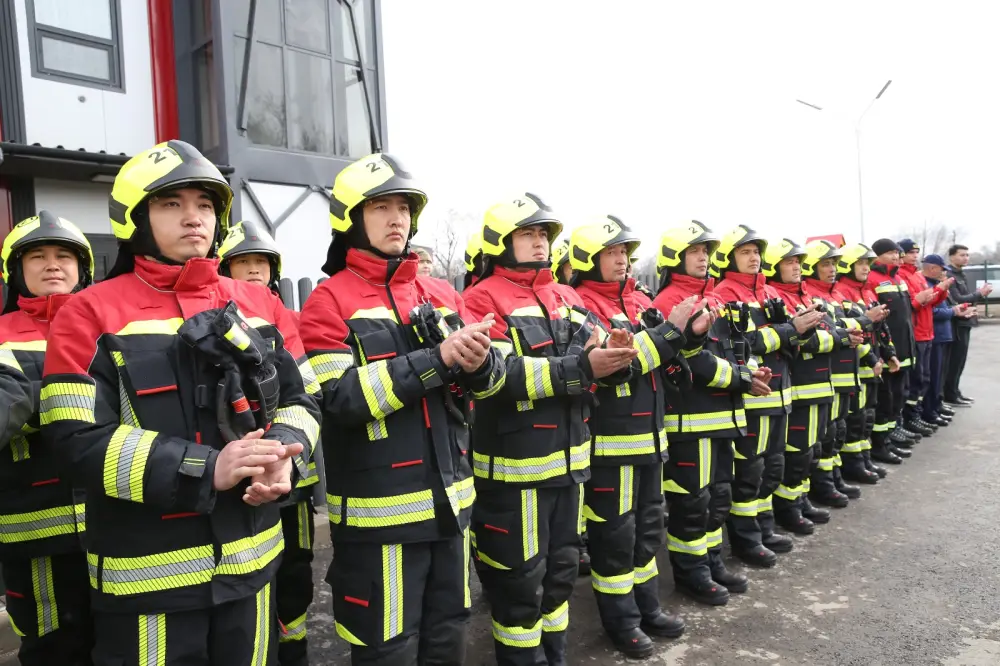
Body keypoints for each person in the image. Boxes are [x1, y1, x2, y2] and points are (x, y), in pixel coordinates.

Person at [41, 140, 320, 665]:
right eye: (172, 204)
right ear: (135, 218)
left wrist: (284, 451)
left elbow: (304, 398)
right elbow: (74, 439)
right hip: (146, 586)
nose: (194, 218)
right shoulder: (88, 314)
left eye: (206, 205)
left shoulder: (261, 305)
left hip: (252, 568)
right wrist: (206, 469)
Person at [299, 153, 502, 665]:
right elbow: (338, 399)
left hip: (452, 510)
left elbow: (489, 382)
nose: (397, 219)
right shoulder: (328, 301)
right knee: (386, 649)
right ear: (350, 219)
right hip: (379, 526)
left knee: (448, 635)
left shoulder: (438, 292)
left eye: (405, 208)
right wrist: (436, 360)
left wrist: (478, 367)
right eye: (381, 207)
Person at [464, 194, 636, 666]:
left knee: (560, 574)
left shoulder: (567, 296)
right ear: (502, 242)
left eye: (543, 234)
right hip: (514, 473)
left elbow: (596, 357)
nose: (539, 242)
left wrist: (619, 357)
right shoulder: (481, 298)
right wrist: (585, 367)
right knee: (520, 581)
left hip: (570, 466)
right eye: (528, 234)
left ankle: (554, 657)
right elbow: (499, 375)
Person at [569, 217, 692, 658]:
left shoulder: (639, 300)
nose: (621, 259)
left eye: (624, 252)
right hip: (611, 443)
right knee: (615, 538)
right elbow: (620, 364)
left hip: (650, 438)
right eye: (611, 253)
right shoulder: (579, 305)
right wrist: (669, 333)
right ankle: (621, 621)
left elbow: (662, 358)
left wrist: (681, 338)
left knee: (646, 533)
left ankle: (647, 607)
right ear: (587, 260)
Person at [218, 219, 320, 666]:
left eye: (262, 262)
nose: (255, 270)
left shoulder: (283, 317)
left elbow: (305, 390)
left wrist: (286, 451)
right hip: (229, 476)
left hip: (289, 473)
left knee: (295, 570)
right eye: (244, 262)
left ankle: (293, 647)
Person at [652, 221, 767, 606]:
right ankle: (691, 573)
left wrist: (748, 370)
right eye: (694, 251)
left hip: (722, 418)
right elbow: (693, 360)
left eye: (706, 251)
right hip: (691, 422)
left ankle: (712, 562)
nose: (703, 257)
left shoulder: (713, 297)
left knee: (718, 499)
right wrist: (739, 379)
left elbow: (736, 346)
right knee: (692, 503)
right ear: (674, 258)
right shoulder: (670, 301)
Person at [0, 211, 95, 665]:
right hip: (33, 531)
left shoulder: (110, 329)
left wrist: (32, 397)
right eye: (37, 256)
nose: (52, 264)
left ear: (83, 268)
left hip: (115, 525)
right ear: (15, 272)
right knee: (51, 649)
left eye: (64, 255)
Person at [714, 229, 821, 566]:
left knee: (773, 467)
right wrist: (789, 331)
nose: (753, 257)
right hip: (754, 399)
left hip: (782, 392)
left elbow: (788, 339)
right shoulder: (725, 293)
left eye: (756, 251)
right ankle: (746, 539)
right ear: (730, 258)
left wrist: (803, 330)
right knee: (749, 472)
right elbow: (746, 344)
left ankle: (764, 526)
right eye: (744, 252)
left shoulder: (771, 291)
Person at [764, 239, 848, 533]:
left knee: (812, 449)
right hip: (800, 389)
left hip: (820, 385)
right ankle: (788, 508)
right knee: (796, 453)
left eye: (799, 261)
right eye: (789, 262)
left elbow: (828, 334)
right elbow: (807, 341)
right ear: (774, 266)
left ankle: (800, 498)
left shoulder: (803, 297)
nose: (797, 266)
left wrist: (831, 338)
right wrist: (835, 340)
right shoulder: (779, 299)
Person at [800, 240, 877, 507]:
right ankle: (823, 485)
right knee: (825, 434)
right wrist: (862, 322)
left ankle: (833, 477)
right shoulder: (810, 293)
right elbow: (831, 327)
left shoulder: (833, 294)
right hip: (828, 375)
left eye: (833, 263)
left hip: (844, 374)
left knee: (838, 430)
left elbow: (839, 325)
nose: (832, 269)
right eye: (825, 264)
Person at [833, 243, 893, 478]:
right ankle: (854, 464)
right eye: (861, 263)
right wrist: (870, 357)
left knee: (868, 416)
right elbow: (853, 333)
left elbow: (880, 327)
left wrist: (889, 353)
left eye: (868, 263)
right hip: (857, 364)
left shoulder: (867, 291)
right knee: (855, 419)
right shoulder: (843, 292)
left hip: (872, 362)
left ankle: (864, 459)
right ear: (848, 265)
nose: (866, 267)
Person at [865, 239, 925, 451]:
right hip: (889, 347)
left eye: (896, 253)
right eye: (890, 253)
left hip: (905, 345)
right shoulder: (872, 279)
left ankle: (894, 429)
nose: (895, 256)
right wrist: (885, 350)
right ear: (878, 255)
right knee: (887, 396)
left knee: (900, 393)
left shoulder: (898, 278)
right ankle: (884, 439)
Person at [896, 239, 952, 432]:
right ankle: (911, 418)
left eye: (916, 252)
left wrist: (941, 291)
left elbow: (930, 301)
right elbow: (912, 304)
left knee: (924, 379)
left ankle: (918, 413)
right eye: (910, 252)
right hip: (917, 333)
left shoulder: (917, 276)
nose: (914, 255)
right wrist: (929, 295)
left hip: (927, 333)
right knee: (915, 379)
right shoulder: (902, 275)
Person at [922, 254, 970, 426]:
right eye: (942, 271)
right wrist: (953, 312)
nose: (945, 275)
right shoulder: (927, 286)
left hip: (942, 336)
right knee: (932, 376)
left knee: (938, 376)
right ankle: (929, 411)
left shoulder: (936, 286)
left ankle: (935, 406)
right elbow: (931, 312)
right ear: (933, 268)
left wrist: (955, 309)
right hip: (933, 336)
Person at [943, 243, 993, 406]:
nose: (966, 258)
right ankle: (950, 394)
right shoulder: (949, 275)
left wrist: (975, 300)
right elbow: (957, 299)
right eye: (962, 255)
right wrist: (979, 294)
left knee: (961, 360)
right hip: (957, 324)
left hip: (966, 321)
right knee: (954, 361)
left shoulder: (961, 274)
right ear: (951, 257)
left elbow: (967, 297)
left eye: (967, 255)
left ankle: (956, 391)